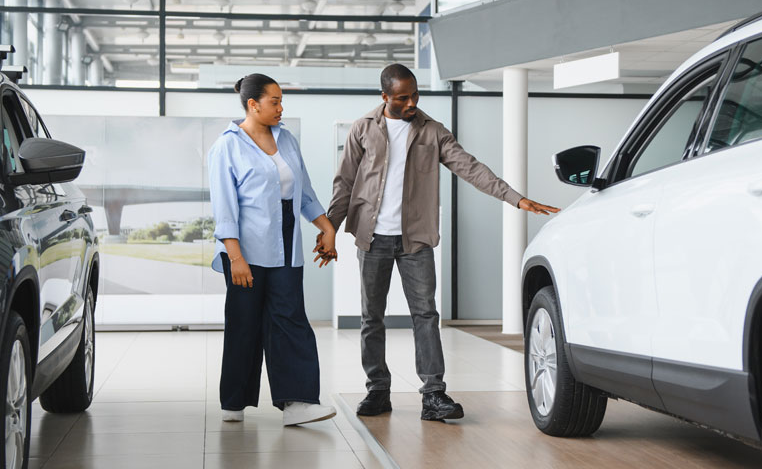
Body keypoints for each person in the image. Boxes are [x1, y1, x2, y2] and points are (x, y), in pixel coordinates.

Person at [318, 64, 559, 421]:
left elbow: (471, 167)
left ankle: (433, 395)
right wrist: (330, 229)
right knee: (372, 318)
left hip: (416, 239)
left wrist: (515, 198)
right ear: (385, 97)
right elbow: (345, 184)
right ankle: (378, 390)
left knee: (426, 316)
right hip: (372, 238)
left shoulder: (432, 132)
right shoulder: (363, 129)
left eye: (415, 95)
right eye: (403, 97)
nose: (412, 102)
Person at [208, 73, 339, 426]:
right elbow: (225, 207)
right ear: (253, 104)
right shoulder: (227, 145)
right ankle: (233, 401)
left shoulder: (287, 140)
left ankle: (297, 402)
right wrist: (235, 256)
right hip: (245, 249)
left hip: (287, 243)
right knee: (244, 322)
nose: (281, 108)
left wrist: (326, 228)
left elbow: (305, 191)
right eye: (275, 101)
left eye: (282, 101)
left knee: (290, 318)